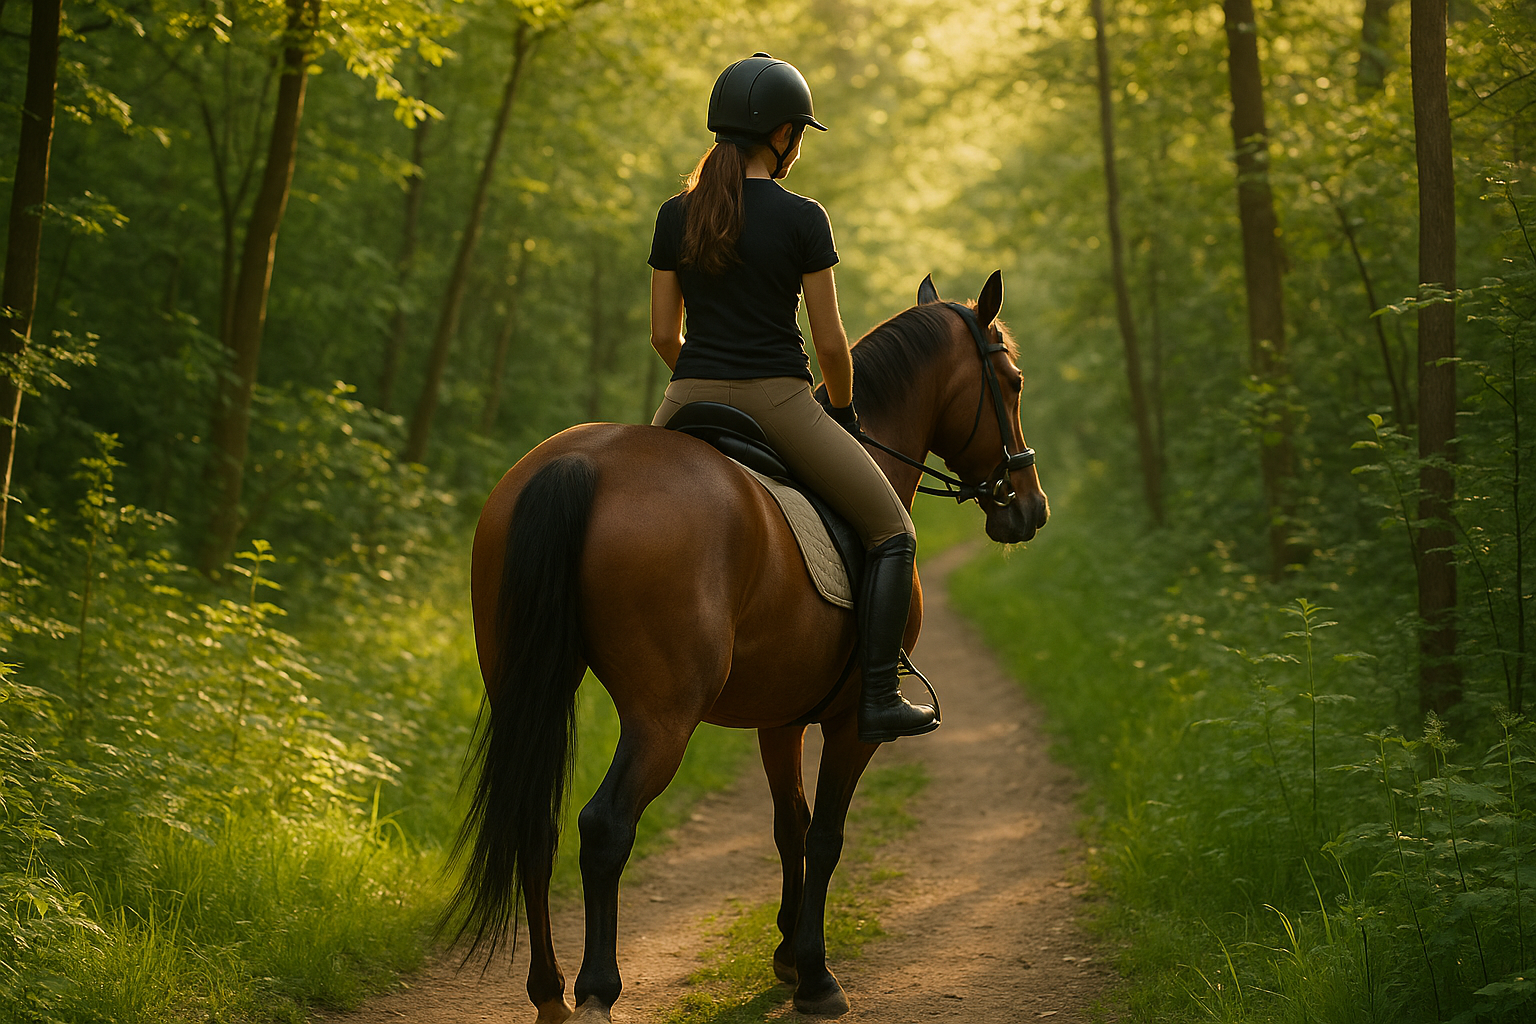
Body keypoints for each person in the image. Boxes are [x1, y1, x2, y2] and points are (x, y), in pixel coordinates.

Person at [647, 53, 937, 743]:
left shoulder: (675, 214)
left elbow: (663, 334)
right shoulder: (804, 217)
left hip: (684, 400)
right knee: (894, 531)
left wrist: (701, 376)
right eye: (798, 133)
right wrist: (840, 409)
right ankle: (875, 696)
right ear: (781, 135)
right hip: (778, 401)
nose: (798, 145)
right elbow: (833, 345)